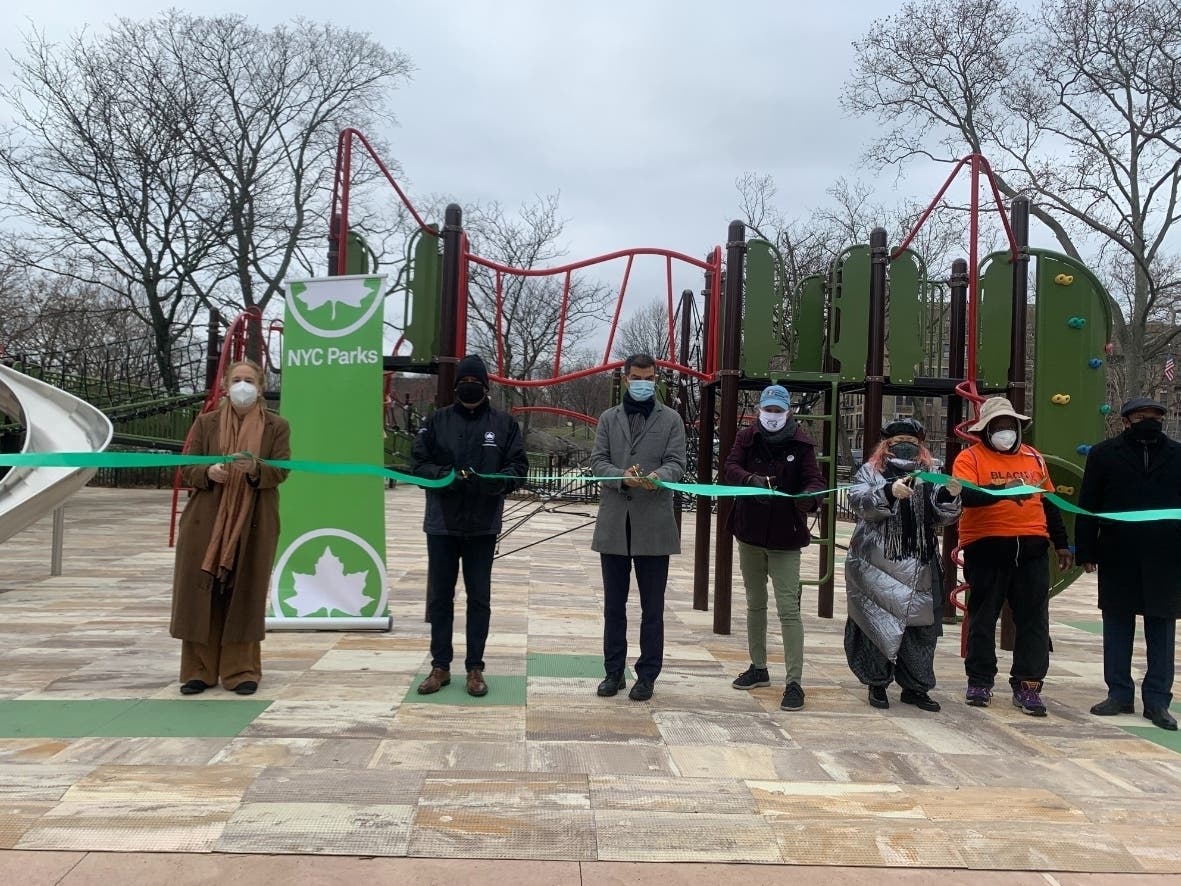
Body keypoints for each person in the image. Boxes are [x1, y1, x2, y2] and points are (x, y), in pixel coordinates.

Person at [410, 354, 528, 698]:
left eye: (475, 382)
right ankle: (440, 666)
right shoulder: (436, 421)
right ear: (457, 386)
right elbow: (418, 464)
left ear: (486, 387)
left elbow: (517, 468)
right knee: (441, 598)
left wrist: (492, 482)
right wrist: (447, 478)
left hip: (482, 524)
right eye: (464, 382)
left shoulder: (504, 424)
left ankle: (475, 667)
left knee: (479, 598)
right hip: (442, 524)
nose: (469, 388)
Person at [171, 359, 290, 696]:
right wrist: (207, 472)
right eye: (236, 379)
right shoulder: (206, 422)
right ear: (225, 385)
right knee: (201, 592)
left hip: (253, 520)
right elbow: (188, 467)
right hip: (205, 521)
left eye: (249, 379)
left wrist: (255, 469)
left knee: (244, 593)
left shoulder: (276, 426)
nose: (242, 385)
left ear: (260, 385)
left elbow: (282, 470)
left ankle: (242, 671)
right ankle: (199, 671)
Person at [952, 396, 1073, 716]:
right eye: (999, 426)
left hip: (1033, 550)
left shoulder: (1034, 458)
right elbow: (967, 495)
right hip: (987, 549)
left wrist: (1062, 543)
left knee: (1034, 620)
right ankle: (979, 680)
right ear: (986, 430)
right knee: (982, 617)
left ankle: (1029, 684)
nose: (1005, 431)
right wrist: (1005, 491)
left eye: (1010, 426)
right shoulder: (970, 459)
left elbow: (1049, 502)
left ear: (1019, 429)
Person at [844, 419, 962, 712]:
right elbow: (859, 503)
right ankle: (876, 683)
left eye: (911, 439)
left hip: (921, 561)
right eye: (898, 439)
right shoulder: (870, 472)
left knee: (921, 629)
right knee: (875, 621)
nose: (905, 444)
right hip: (877, 562)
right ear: (886, 444)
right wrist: (886, 492)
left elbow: (942, 516)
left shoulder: (931, 474)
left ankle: (916, 687)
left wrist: (949, 495)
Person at [1076, 397, 1179, 731]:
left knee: (1161, 628)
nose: (1148, 420)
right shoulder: (1103, 454)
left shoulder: (1178, 454)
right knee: (1117, 624)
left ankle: (1158, 700)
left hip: (1165, 555)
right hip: (1118, 552)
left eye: (1154, 416)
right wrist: (1087, 551)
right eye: (1141, 416)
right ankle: (1118, 693)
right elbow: (1088, 503)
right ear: (1125, 421)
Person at [721, 384, 824, 711]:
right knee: (755, 602)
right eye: (769, 410)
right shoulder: (746, 437)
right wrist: (750, 480)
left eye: (779, 411)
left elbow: (815, 481)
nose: (773, 416)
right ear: (760, 410)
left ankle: (794, 681)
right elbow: (730, 468)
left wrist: (809, 499)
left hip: (785, 536)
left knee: (788, 608)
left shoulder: (802, 444)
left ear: (788, 411)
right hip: (749, 532)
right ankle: (759, 666)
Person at [591, 353, 687, 701]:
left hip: (654, 527)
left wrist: (659, 477)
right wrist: (621, 477)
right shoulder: (608, 418)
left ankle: (646, 675)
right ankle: (612, 672)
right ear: (626, 378)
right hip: (615, 525)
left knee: (653, 608)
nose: (642, 383)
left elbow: (678, 462)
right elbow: (598, 462)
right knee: (614, 607)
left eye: (648, 377)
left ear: (656, 379)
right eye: (636, 377)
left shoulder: (671, 419)